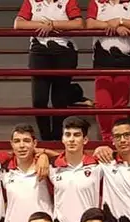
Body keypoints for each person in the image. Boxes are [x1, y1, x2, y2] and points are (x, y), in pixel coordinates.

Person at [14, 0, 84, 142]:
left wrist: (52, 25)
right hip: (39, 53)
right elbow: (18, 24)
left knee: (60, 100)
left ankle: (58, 139)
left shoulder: (67, 1)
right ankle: (45, 138)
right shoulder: (32, 2)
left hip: (64, 53)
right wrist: (43, 26)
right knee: (39, 100)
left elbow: (78, 23)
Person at [86, 0, 130, 142]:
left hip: (125, 60)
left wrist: (119, 21)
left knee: (120, 104)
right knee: (103, 104)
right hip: (102, 61)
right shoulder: (96, 3)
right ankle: (107, 138)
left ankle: (120, 137)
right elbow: (90, 24)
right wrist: (114, 26)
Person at [49, 117, 102, 222]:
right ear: (62, 139)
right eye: (68, 135)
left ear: (85, 140)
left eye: (77, 135)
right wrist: (43, 154)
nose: (71, 139)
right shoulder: (51, 168)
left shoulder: (98, 166)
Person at [2, 124, 54, 222]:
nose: (21, 146)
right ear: (12, 144)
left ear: (34, 143)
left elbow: (64, 158)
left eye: (26, 141)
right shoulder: (3, 171)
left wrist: (44, 154)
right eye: (17, 141)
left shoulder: (47, 168)